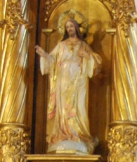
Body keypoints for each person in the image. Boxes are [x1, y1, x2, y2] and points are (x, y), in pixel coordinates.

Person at [36, 17, 102, 153]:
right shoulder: (61, 45)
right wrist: (44, 55)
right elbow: (52, 60)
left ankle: (78, 133)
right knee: (63, 107)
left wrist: (87, 56)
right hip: (64, 78)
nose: (69, 29)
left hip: (78, 79)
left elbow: (96, 63)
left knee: (78, 106)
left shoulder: (83, 45)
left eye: (71, 26)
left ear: (76, 28)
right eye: (67, 27)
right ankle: (64, 133)